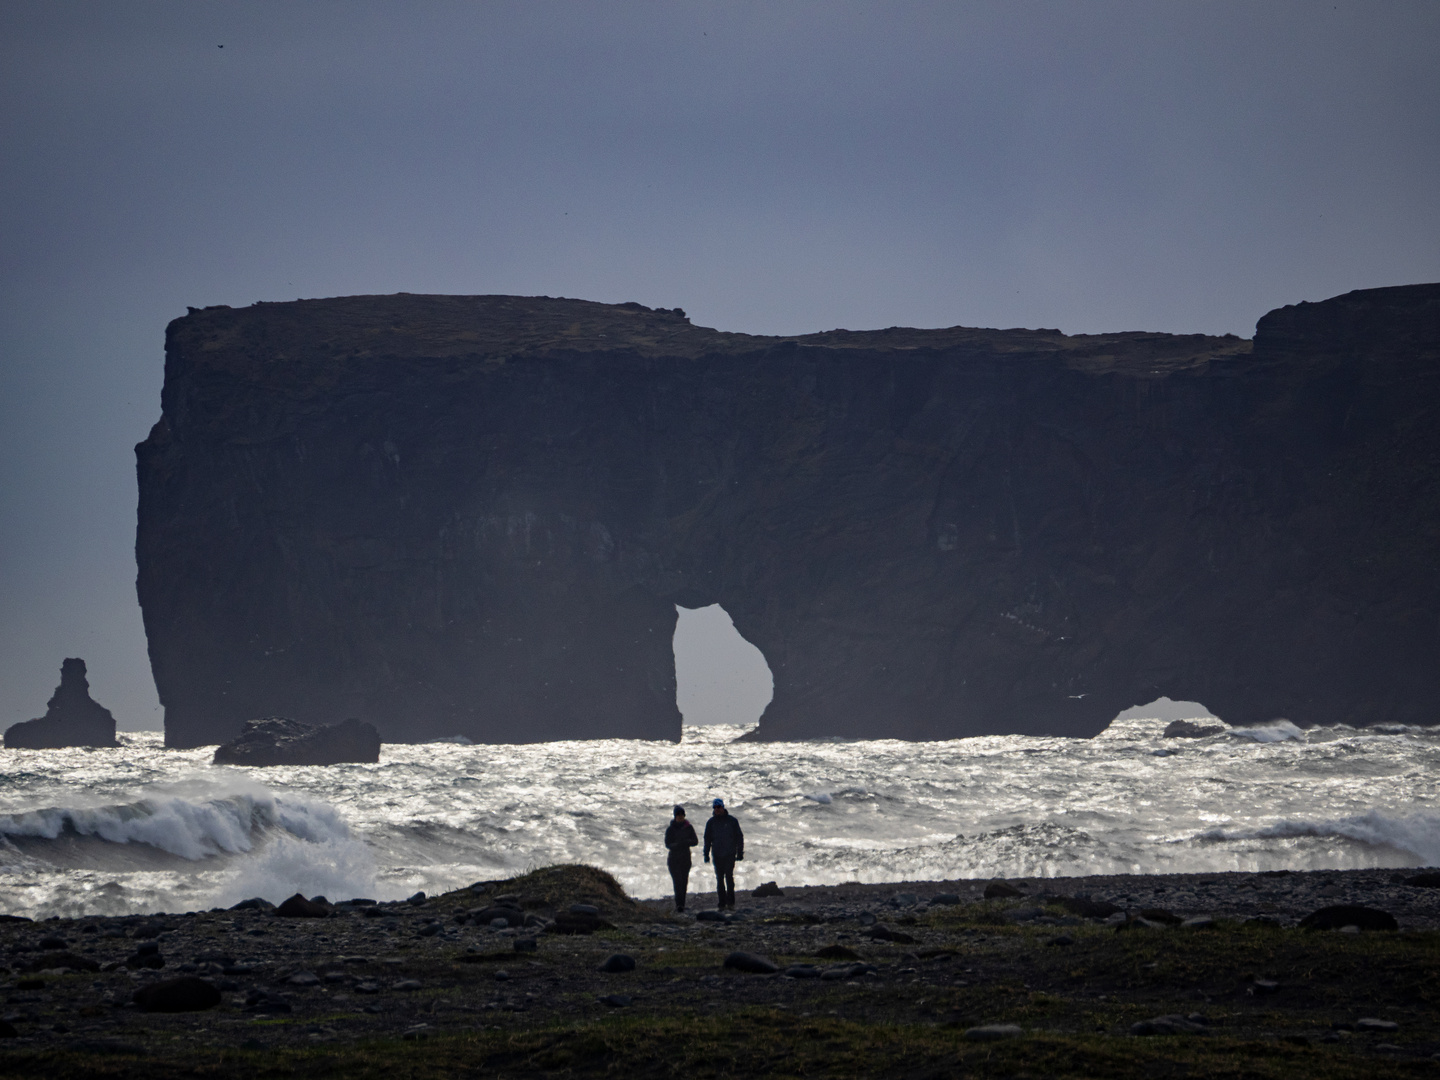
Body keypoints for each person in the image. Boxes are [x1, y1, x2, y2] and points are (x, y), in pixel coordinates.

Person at [702, 797, 744, 910]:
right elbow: (707, 839)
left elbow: (739, 837)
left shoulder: (732, 821)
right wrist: (706, 854)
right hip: (717, 854)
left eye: (719, 807)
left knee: (729, 877)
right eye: (715, 807)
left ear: (723, 807)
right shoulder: (711, 823)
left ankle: (731, 902)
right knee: (719, 879)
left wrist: (740, 852)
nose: (717, 809)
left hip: (730, 853)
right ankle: (722, 903)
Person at [663, 804, 698, 912]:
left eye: (681, 814)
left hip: (686, 859)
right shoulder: (670, 829)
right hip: (674, 859)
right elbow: (667, 844)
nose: (680, 816)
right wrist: (677, 845)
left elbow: (695, 841)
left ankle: (682, 904)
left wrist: (687, 842)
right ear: (675, 816)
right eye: (678, 815)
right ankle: (679, 905)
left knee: (684, 882)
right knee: (677, 882)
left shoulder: (689, 827)